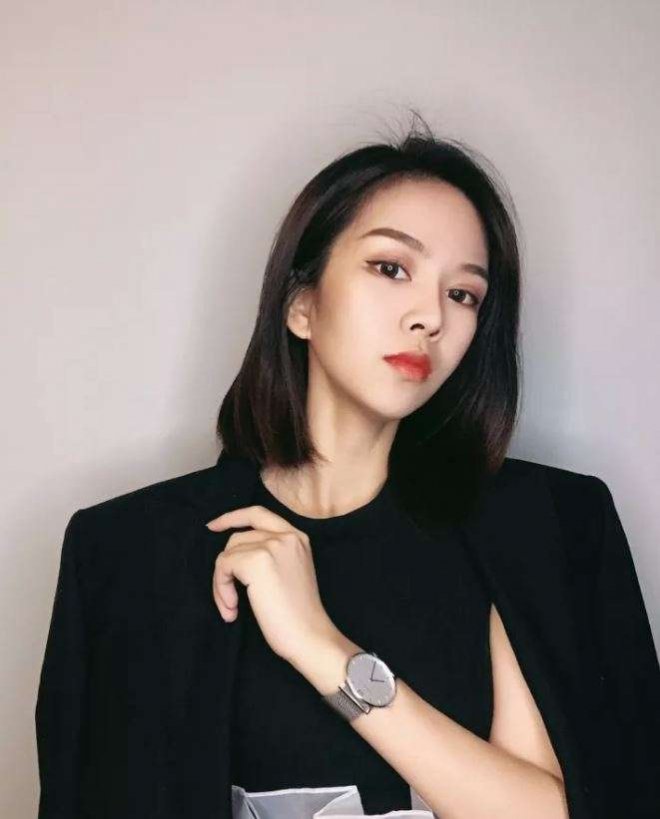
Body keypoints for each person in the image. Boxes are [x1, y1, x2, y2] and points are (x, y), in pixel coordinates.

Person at [35, 112, 660, 819]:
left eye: (463, 293)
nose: (430, 316)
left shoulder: (543, 523)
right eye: (391, 268)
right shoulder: (127, 551)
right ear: (301, 303)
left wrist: (321, 646)